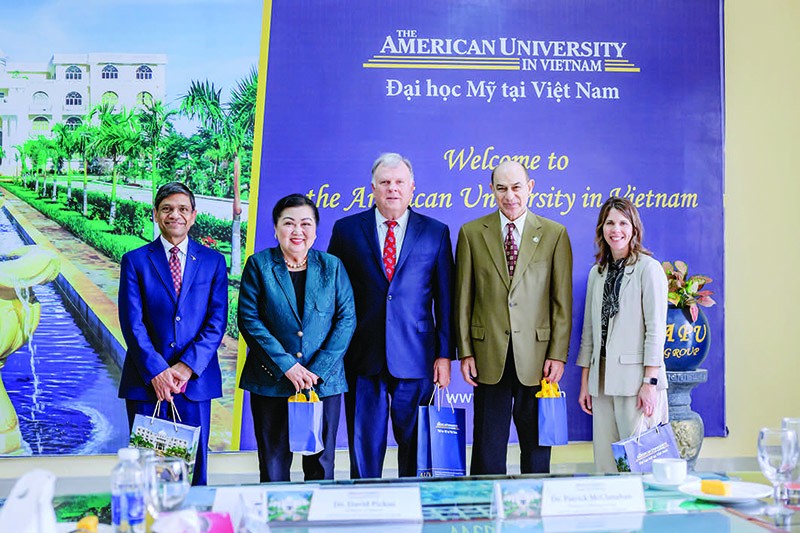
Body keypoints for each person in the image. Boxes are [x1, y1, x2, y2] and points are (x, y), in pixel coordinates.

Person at [328, 153, 454, 479]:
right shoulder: (346, 231)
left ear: (412, 188)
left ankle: (413, 511)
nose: (392, 189)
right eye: (385, 182)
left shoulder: (435, 232)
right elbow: (333, 296)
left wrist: (444, 355)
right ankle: (368, 510)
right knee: (364, 448)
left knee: (416, 450)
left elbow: (446, 298)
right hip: (362, 355)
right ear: (373, 188)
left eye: (399, 182)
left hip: (417, 355)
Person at [455, 160, 572, 475]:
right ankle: (484, 510)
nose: (510, 196)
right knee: (487, 446)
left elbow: (561, 302)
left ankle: (532, 512)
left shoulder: (554, 234)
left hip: (537, 358)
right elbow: (463, 299)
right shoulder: (470, 234)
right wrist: (465, 351)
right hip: (487, 354)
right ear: (491, 190)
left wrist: (558, 355)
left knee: (536, 446)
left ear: (530, 187)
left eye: (517, 187)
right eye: (502, 188)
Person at [238, 193, 355, 482]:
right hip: (273, 381)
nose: (297, 231)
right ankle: (278, 525)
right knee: (274, 464)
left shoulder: (332, 266)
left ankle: (316, 524)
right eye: (288, 223)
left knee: (321, 465)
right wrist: (288, 366)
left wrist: (315, 372)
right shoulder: (259, 265)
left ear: (315, 230)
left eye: (305, 223)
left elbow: (346, 319)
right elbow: (249, 320)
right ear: (276, 228)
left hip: (322, 384)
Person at [118, 182, 227, 486]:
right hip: (146, 382)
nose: (174, 215)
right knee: (149, 474)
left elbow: (217, 321)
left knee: (193, 474)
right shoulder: (136, 260)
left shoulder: (213, 261)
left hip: (194, 383)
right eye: (167, 208)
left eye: (182, 209)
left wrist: (186, 367)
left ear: (193, 215)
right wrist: (157, 371)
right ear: (156, 214)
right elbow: (132, 323)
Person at [577, 196, 668, 473]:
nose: (616, 229)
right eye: (610, 223)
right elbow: (589, 335)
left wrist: (649, 383)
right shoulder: (597, 273)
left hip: (637, 385)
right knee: (607, 467)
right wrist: (586, 383)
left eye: (623, 223)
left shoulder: (648, 269)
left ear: (634, 229)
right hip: (602, 383)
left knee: (642, 469)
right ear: (601, 229)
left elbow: (655, 331)